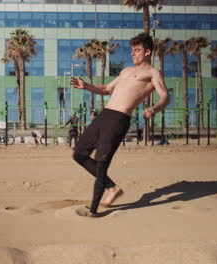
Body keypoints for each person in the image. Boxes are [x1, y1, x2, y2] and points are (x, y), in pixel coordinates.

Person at [70, 33, 169, 217]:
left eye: (137, 50)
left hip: (119, 119)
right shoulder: (125, 71)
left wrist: (154, 109)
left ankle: (93, 210)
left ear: (147, 52)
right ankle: (112, 188)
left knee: (101, 162)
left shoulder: (153, 73)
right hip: (104, 115)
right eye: (132, 50)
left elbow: (165, 96)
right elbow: (107, 89)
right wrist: (88, 86)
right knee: (79, 153)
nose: (133, 53)